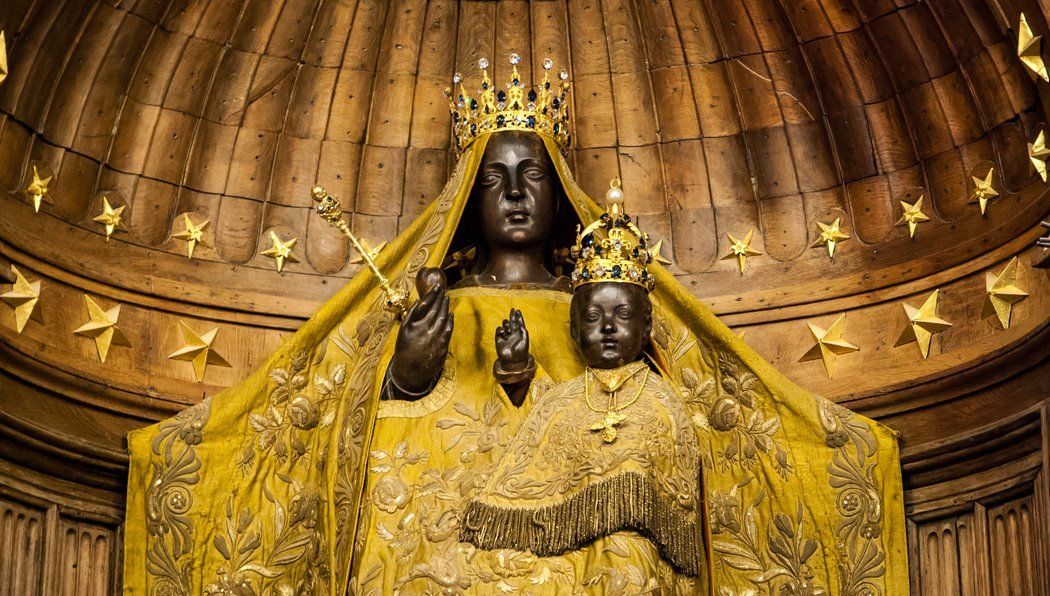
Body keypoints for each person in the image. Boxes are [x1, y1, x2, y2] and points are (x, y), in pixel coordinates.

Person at [122, 55, 909, 596]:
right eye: (494, 179)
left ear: (557, 189)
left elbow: (675, 408)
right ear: (470, 195)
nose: (515, 195)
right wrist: (406, 375)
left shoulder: (599, 297)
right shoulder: (439, 299)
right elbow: (344, 422)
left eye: (531, 175)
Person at [461, 199, 709, 593]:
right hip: (561, 553)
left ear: (645, 327)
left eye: (622, 315)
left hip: (636, 558)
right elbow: (533, 444)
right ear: (575, 330)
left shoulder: (662, 400)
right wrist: (517, 371)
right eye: (593, 317)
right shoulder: (562, 399)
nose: (608, 327)